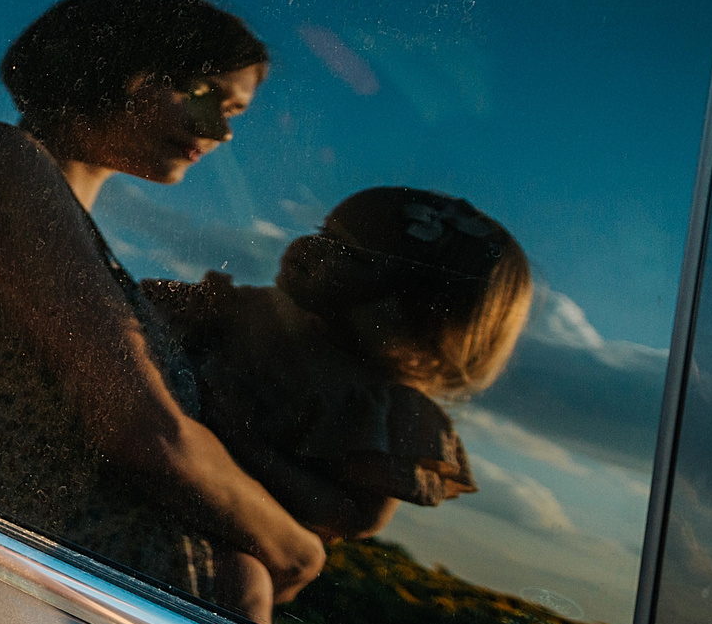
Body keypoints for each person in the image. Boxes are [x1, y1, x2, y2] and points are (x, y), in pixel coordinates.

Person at [0, 0, 325, 624]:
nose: (221, 132)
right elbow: (149, 432)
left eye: (234, 114)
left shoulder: (76, 234)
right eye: (207, 96)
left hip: (16, 610)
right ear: (130, 69)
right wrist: (297, 553)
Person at [144, 187, 533, 542]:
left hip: (225, 530)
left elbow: (357, 516)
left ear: (406, 307)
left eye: (348, 251)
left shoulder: (390, 412)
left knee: (246, 585)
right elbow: (139, 308)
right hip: (143, 464)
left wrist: (240, 445)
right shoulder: (253, 312)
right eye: (323, 231)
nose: (309, 244)